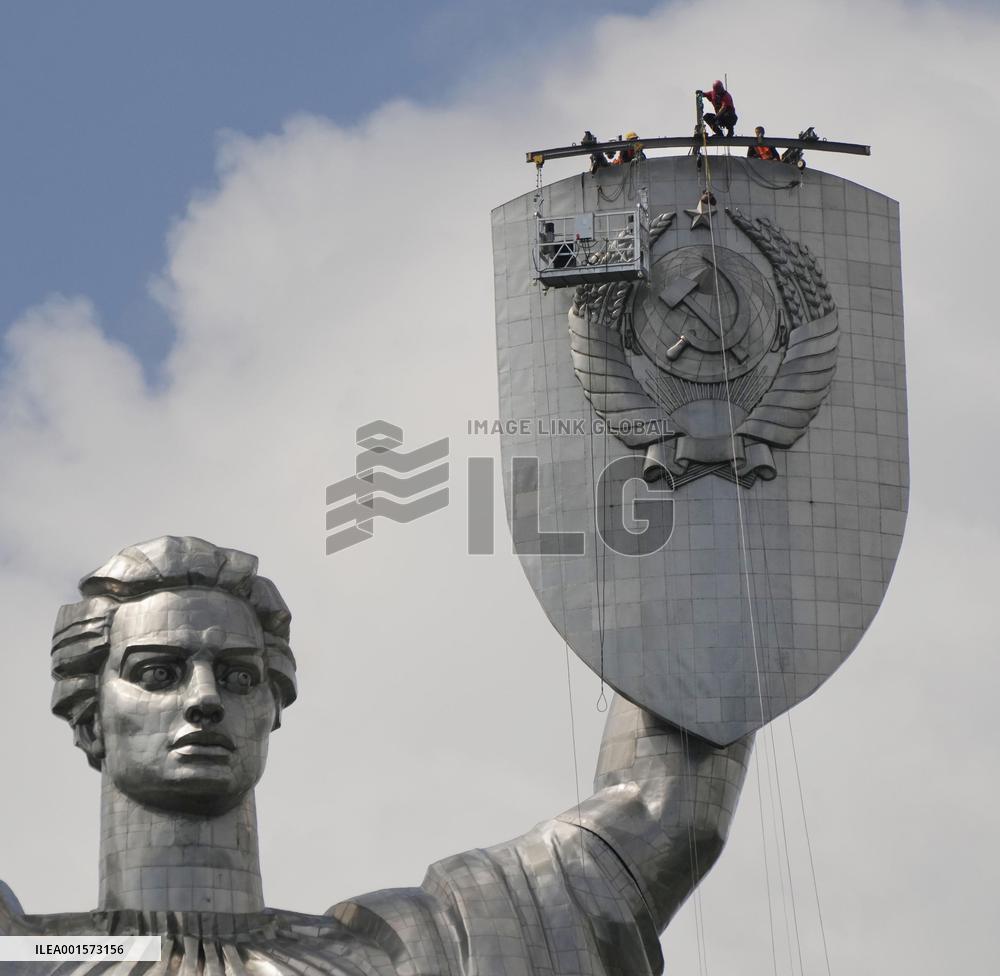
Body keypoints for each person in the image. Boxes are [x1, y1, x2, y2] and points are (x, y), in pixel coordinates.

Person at [0, 536, 752, 976]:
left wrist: (711, 517)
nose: (204, 700)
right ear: (89, 718)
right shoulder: (32, 955)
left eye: (238, 677)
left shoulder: (413, 951)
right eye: (159, 673)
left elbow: (665, 814)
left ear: (271, 709)